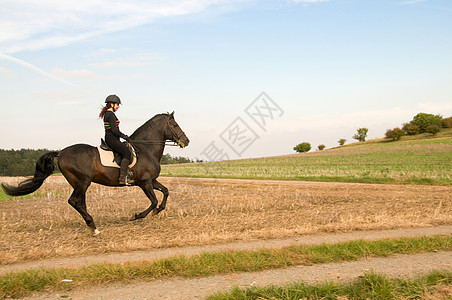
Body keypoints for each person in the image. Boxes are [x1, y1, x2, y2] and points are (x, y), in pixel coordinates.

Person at [99, 94, 134, 185]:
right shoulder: (110, 115)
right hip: (112, 139)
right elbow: (115, 131)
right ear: (111, 104)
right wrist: (125, 136)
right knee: (126, 153)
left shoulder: (108, 114)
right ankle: (123, 178)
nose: (118, 107)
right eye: (117, 105)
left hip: (111, 138)